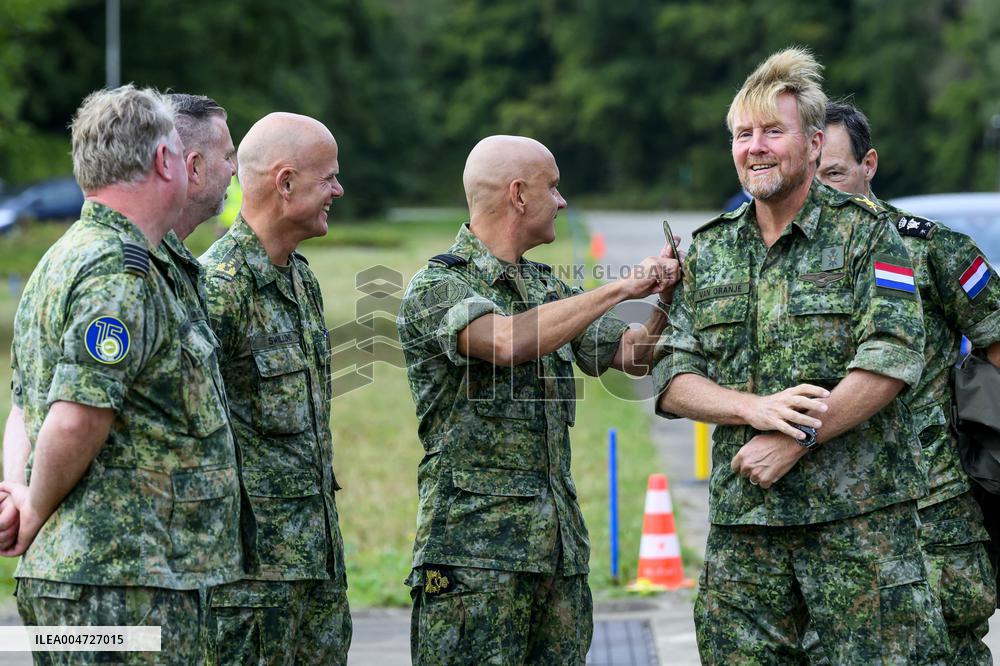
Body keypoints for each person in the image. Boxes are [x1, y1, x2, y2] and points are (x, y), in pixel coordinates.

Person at [652, 48, 949, 663]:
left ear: (814, 145)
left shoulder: (870, 234)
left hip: (861, 531)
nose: (755, 147)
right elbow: (672, 376)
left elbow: (892, 355)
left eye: (772, 132)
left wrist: (797, 437)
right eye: (743, 134)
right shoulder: (709, 251)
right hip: (746, 537)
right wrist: (754, 409)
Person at [396, 134, 680, 664]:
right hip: (474, 562)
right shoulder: (438, 286)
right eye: (554, 187)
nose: (563, 200)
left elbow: (632, 357)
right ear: (519, 195)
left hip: (555, 556)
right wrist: (620, 288)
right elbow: (507, 341)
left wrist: (663, 299)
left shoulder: (547, 289)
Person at [0, 85, 243, 662]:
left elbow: (23, 406)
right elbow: (75, 416)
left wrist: (16, 490)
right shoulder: (118, 270)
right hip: (125, 583)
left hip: (110, 577)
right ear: (164, 161)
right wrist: (30, 504)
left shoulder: (66, 256)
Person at [819, 100, 1000, 664]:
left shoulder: (928, 248)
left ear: (868, 164)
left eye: (835, 173)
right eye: (812, 175)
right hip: (824, 504)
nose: (824, 192)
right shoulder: (781, 260)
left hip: (931, 507)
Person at [199, 112, 351, 665]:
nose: (338, 189)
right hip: (250, 584)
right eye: (328, 177)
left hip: (314, 566)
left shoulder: (299, 276)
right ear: (285, 183)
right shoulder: (219, 287)